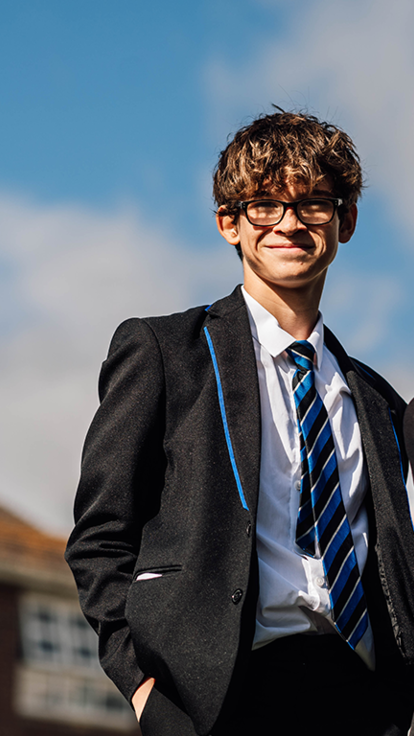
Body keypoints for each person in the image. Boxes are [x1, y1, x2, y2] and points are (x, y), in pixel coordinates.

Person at [65, 109, 414, 736]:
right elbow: (100, 535)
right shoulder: (165, 353)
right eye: (264, 205)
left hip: (363, 697)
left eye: (313, 203)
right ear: (230, 222)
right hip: (219, 698)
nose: (288, 222)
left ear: (345, 220)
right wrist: (144, 689)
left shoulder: (379, 400)